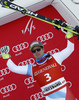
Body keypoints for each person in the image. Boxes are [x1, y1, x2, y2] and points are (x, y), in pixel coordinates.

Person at [0, 24, 75, 100]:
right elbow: (14, 68)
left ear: (43, 49)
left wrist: (68, 34)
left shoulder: (55, 58)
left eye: (38, 49)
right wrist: (5, 56)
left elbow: (69, 49)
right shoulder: (32, 68)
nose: (36, 52)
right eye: (33, 51)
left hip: (67, 96)